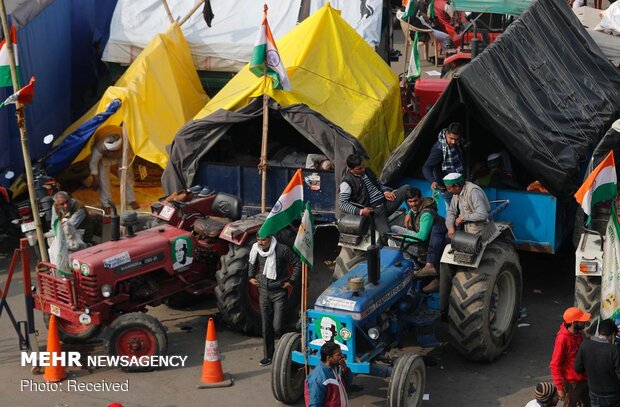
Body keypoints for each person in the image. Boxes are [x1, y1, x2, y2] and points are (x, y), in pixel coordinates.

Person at [248, 233, 301, 366]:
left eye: (263, 239)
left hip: (279, 293)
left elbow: (298, 263)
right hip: (264, 292)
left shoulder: (282, 249)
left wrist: (291, 282)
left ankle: (288, 350)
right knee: (266, 327)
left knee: (277, 327)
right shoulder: (256, 249)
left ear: (270, 238)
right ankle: (269, 356)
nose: (260, 243)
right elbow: (251, 262)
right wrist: (250, 277)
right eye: (258, 239)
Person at [339, 153, 412, 236]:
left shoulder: (367, 171)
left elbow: (379, 184)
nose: (363, 169)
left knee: (407, 188)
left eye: (363, 166)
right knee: (386, 235)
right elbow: (343, 204)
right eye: (359, 169)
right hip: (375, 211)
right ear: (351, 169)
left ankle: (411, 214)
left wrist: (386, 192)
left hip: (386, 202)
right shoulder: (347, 183)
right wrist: (361, 211)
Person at [390, 188, 447, 293]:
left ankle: (415, 268)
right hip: (423, 243)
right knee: (391, 235)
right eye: (410, 202)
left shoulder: (427, 214)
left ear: (421, 199)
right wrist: (408, 213)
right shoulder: (416, 208)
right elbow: (412, 209)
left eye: (415, 201)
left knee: (394, 232)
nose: (413, 204)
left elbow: (422, 237)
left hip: (425, 248)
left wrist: (404, 234)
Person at [89, 125, 139, 212]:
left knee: (127, 176)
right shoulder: (100, 146)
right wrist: (95, 178)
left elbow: (127, 167)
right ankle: (106, 203)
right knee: (103, 179)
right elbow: (93, 162)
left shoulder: (126, 144)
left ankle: (131, 199)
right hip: (104, 157)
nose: (112, 154)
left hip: (122, 154)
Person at [550, 307, 591, 407]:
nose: (585, 322)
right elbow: (555, 365)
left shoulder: (579, 333)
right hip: (572, 383)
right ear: (574, 323)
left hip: (584, 379)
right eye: (582, 321)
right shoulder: (562, 339)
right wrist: (560, 388)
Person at [574, 319, 620, 407]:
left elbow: (578, 368)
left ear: (599, 332)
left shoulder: (585, 345)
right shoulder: (614, 350)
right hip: (613, 395)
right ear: (612, 335)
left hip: (594, 393)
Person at [422, 122, 465, 206]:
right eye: (451, 138)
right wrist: (433, 181)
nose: (453, 141)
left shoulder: (458, 144)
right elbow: (426, 167)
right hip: (448, 189)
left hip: (459, 185)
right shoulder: (439, 149)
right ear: (446, 134)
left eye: (456, 139)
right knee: (454, 212)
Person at [443, 173, 495, 240]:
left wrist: (463, 218)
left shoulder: (473, 192)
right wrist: (450, 227)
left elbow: (483, 215)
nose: (448, 191)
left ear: (456, 186)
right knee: (447, 236)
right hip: (466, 227)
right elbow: (451, 211)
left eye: (449, 188)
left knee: (457, 241)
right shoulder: (456, 193)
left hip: (478, 229)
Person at [305, 342, 353, 407]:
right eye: (338, 355)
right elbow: (315, 404)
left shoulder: (338, 368)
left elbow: (348, 383)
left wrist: (345, 370)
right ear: (329, 358)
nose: (342, 356)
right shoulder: (318, 378)